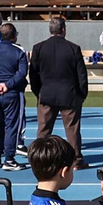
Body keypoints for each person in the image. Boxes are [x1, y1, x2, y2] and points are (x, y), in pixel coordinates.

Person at [30, 15, 90, 168]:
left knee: (43, 130)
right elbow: (81, 75)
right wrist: (81, 94)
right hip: (69, 95)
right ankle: (76, 160)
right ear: (63, 30)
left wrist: (39, 92)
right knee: (72, 130)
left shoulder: (38, 48)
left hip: (46, 94)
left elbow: (33, 75)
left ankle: (40, 159)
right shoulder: (73, 48)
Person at [0, 22, 28, 171]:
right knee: (11, 126)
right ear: (14, 36)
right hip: (12, 93)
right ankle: (9, 159)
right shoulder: (19, 52)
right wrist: (7, 85)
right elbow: (22, 73)